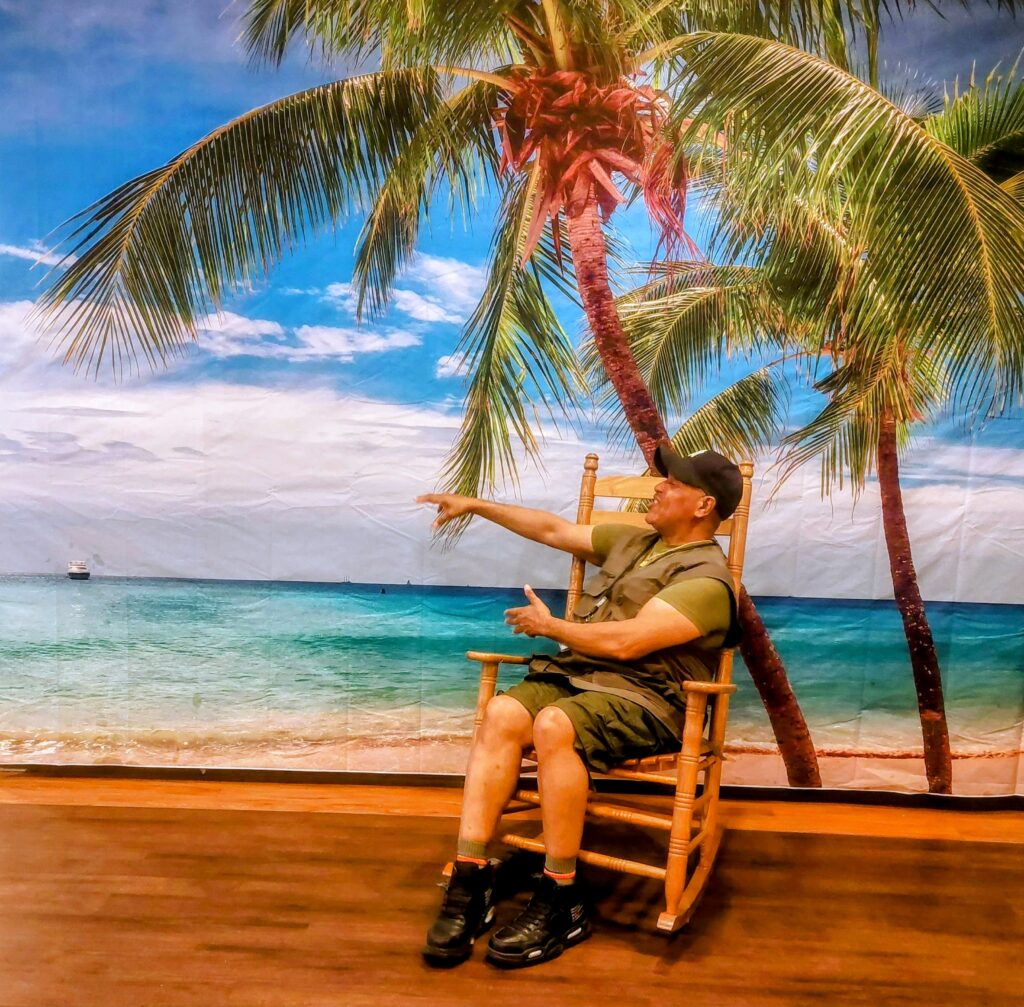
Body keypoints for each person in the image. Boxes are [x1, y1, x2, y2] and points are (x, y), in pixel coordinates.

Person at [416, 445, 743, 969]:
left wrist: (551, 628)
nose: (657, 486)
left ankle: (562, 896)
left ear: (703, 506)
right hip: (583, 679)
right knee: (502, 713)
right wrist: (476, 504)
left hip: (650, 699)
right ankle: (471, 876)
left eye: (671, 483)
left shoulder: (706, 579)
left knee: (553, 723)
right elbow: (550, 529)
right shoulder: (637, 541)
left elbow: (628, 644)